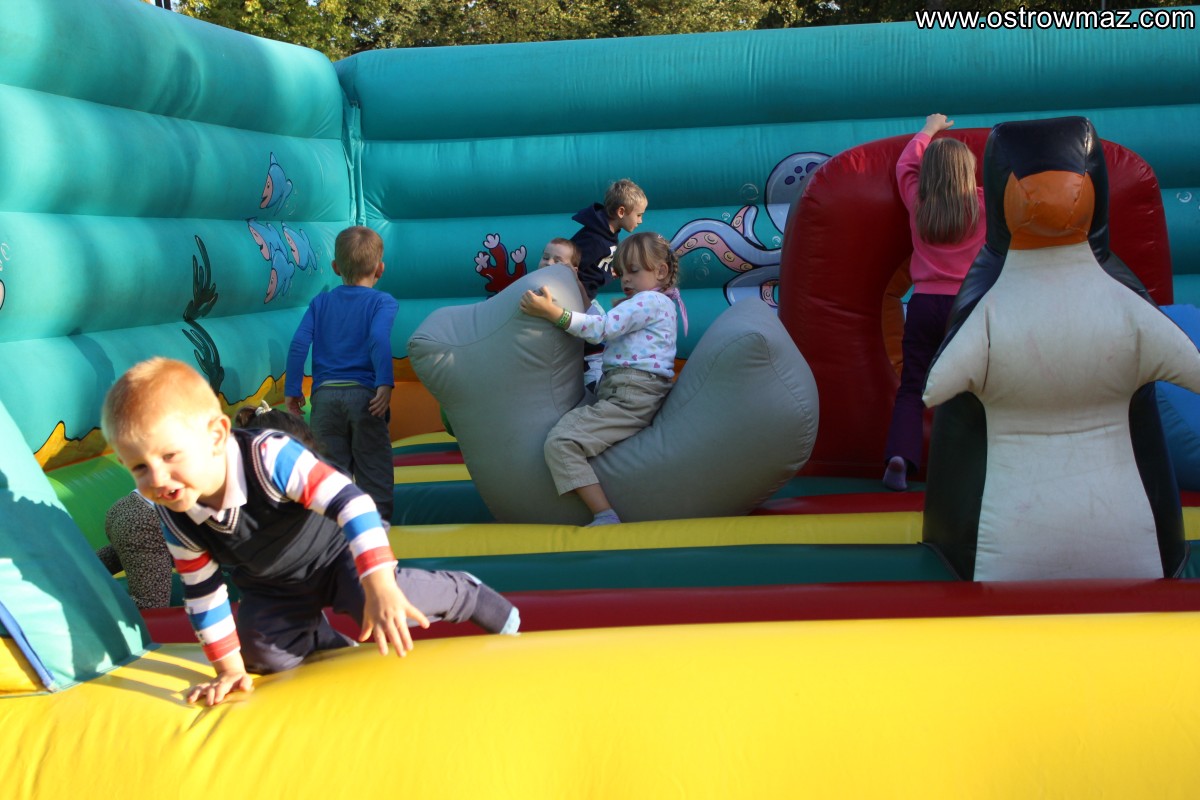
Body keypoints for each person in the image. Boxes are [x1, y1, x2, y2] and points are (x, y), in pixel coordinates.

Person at [101, 357, 519, 706]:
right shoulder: (176, 517)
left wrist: (379, 583)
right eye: (139, 467)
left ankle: (466, 593)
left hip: (337, 553)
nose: (158, 479)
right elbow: (203, 594)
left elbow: (354, 504)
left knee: (377, 606)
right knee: (262, 656)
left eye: (170, 456)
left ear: (216, 436)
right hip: (272, 584)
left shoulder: (268, 456)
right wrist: (228, 670)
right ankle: (323, 639)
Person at [519, 231, 687, 526]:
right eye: (621, 272)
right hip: (626, 389)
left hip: (631, 393)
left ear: (660, 271)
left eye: (634, 271)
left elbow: (601, 329)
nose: (626, 279)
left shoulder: (649, 300)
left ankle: (604, 514)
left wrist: (552, 313)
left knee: (561, 442)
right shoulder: (658, 303)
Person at [882, 113, 986, 491]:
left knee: (913, 387)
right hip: (967, 308)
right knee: (972, 389)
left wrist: (929, 129)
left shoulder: (919, 203)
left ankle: (900, 456)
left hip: (924, 304)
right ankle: (965, 469)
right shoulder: (982, 205)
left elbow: (905, 165)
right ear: (969, 174)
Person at [285, 225, 397, 524]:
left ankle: (333, 534)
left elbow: (299, 343)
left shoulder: (320, 303)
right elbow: (378, 338)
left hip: (325, 399)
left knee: (331, 477)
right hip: (365, 397)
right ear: (380, 268)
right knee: (374, 470)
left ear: (335, 268)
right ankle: (380, 530)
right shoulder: (382, 302)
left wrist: (293, 388)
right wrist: (385, 382)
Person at [538, 237, 606, 390]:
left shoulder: (577, 298)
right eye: (545, 257)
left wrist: (577, 284)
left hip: (590, 364)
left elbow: (597, 328)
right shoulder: (532, 289)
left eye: (557, 261)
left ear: (573, 271)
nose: (549, 263)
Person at [570, 178, 647, 300]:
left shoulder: (608, 233)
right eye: (638, 215)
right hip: (575, 297)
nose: (640, 221)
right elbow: (571, 267)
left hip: (586, 296)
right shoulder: (593, 239)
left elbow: (594, 265)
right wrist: (604, 276)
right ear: (621, 212)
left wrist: (608, 272)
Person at [95, 491, 173, 609]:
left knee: (135, 553)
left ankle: (72, 572)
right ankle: (86, 606)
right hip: (144, 522)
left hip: (128, 506)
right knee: (152, 605)